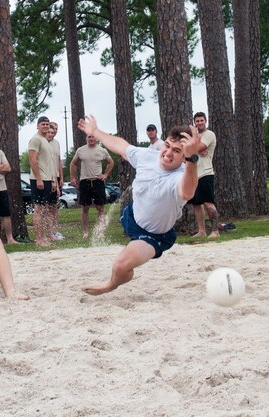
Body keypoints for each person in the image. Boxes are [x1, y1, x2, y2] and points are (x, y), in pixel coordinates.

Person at [76, 115, 200, 295]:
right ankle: (117, 274)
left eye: (177, 150)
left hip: (154, 235)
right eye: (167, 145)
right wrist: (96, 132)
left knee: (120, 266)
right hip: (131, 217)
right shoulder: (147, 156)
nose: (168, 153)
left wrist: (192, 159)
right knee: (123, 256)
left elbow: (187, 192)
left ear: (184, 157)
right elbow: (121, 147)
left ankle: (112, 284)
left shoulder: (182, 174)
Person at [70, 134, 113, 239]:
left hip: (98, 181)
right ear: (86, 138)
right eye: (89, 137)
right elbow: (73, 163)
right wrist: (72, 177)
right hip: (85, 181)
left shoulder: (102, 150)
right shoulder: (80, 150)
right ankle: (85, 232)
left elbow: (111, 162)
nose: (91, 139)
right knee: (85, 208)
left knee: (100, 208)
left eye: (93, 137)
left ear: (97, 138)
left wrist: (106, 174)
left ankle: (100, 232)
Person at [28, 116, 57, 247]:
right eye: (43, 124)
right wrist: (38, 178)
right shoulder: (35, 139)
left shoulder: (46, 140)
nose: (45, 126)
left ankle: (44, 236)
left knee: (45, 209)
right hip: (37, 179)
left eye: (47, 124)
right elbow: (33, 160)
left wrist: (52, 181)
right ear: (38, 126)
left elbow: (50, 163)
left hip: (47, 179)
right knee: (39, 209)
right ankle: (39, 239)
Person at [190, 112, 220, 238]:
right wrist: (195, 148)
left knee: (208, 203)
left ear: (205, 121)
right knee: (196, 204)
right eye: (197, 121)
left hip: (206, 173)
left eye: (202, 120)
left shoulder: (209, 134)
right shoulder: (195, 136)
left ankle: (215, 231)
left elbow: (199, 147)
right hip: (194, 175)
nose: (199, 123)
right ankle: (202, 231)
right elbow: (186, 150)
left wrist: (195, 147)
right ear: (194, 123)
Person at [46, 120, 65, 241]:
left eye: (56, 130)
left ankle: (55, 230)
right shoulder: (44, 143)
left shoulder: (56, 143)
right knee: (46, 207)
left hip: (56, 176)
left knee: (54, 206)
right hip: (47, 176)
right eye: (52, 129)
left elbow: (58, 161)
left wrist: (61, 178)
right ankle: (48, 231)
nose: (54, 132)